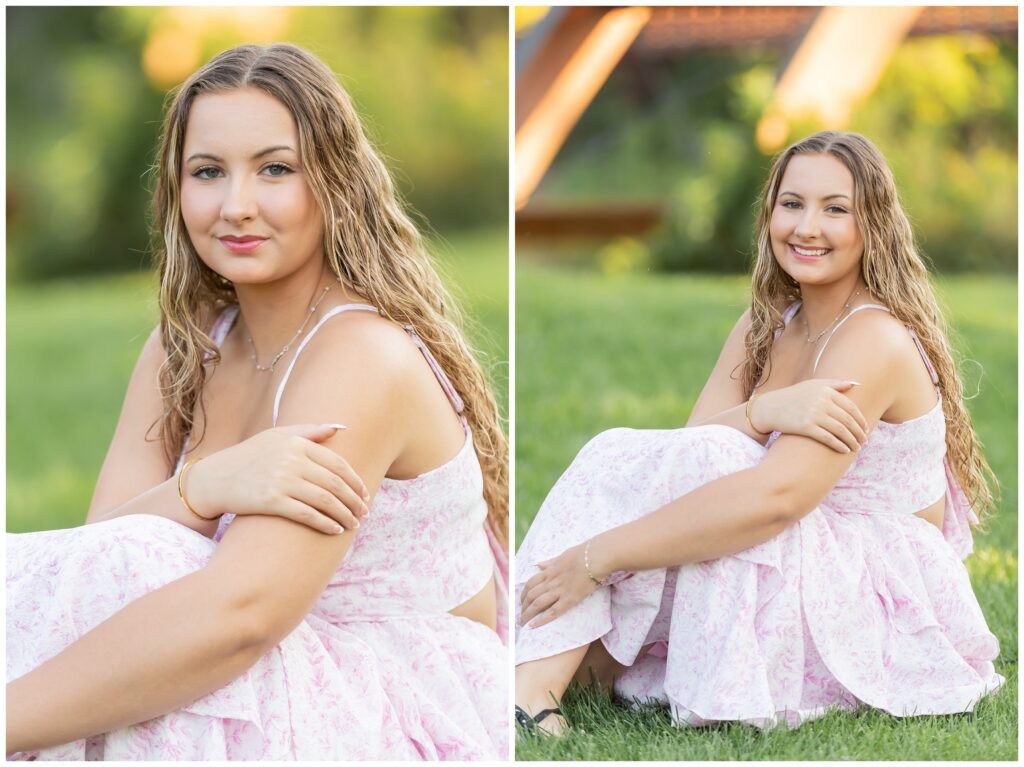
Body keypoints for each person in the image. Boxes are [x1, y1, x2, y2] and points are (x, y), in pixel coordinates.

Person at [7, 43, 509, 760]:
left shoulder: (360, 357)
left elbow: (245, 614)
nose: (236, 206)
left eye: (275, 169)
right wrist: (207, 483)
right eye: (208, 172)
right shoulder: (184, 347)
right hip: (251, 653)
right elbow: (96, 556)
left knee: (158, 606)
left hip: (387, 690)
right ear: (176, 191)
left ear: (333, 182)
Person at [514, 131, 1003, 735]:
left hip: (873, 586)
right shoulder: (768, 322)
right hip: (794, 543)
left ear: (872, 225)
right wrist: (765, 412)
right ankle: (535, 673)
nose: (807, 226)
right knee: (617, 450)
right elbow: (689, 450)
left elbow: (778, 499)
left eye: (835, 209)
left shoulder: (873, 339)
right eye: (792, 203)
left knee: (712, 471)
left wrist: (597, 558)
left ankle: (535, 682)